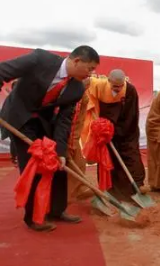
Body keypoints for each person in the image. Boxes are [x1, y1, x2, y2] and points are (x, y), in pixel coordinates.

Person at [0, 46, 100, 232]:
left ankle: (56, 210)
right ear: (77, 60)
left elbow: (64, 121)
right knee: (34, 164)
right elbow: (2, 71)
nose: (91, 74)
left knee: (59, 166)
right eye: (90, 68)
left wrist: (60, 152)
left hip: (44, 122)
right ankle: (33, 217)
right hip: (19, 117)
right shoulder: (40, 59)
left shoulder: (76, 88)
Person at [82, 69, 146, 201]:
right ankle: (110, 191)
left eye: (120, 86)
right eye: (115, 86)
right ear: (108, 81)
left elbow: (131, 115)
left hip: (125, 131)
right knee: (108, 159)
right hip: (104, 132)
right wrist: (102, 129)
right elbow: (89, 97)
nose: (118, 89)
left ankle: (134, 188)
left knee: (131, 156)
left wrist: (117, 131)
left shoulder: (130, 90)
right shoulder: (98, 86)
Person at [66, 77, 92, 202]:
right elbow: (70, 121)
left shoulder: (84, 96)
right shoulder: (73, 95)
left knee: (80, 163)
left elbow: (79, 120)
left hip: (73, 135)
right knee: (69, 165)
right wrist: (69, 142)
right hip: (64, 135)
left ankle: (78, 189)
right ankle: (67, 196)